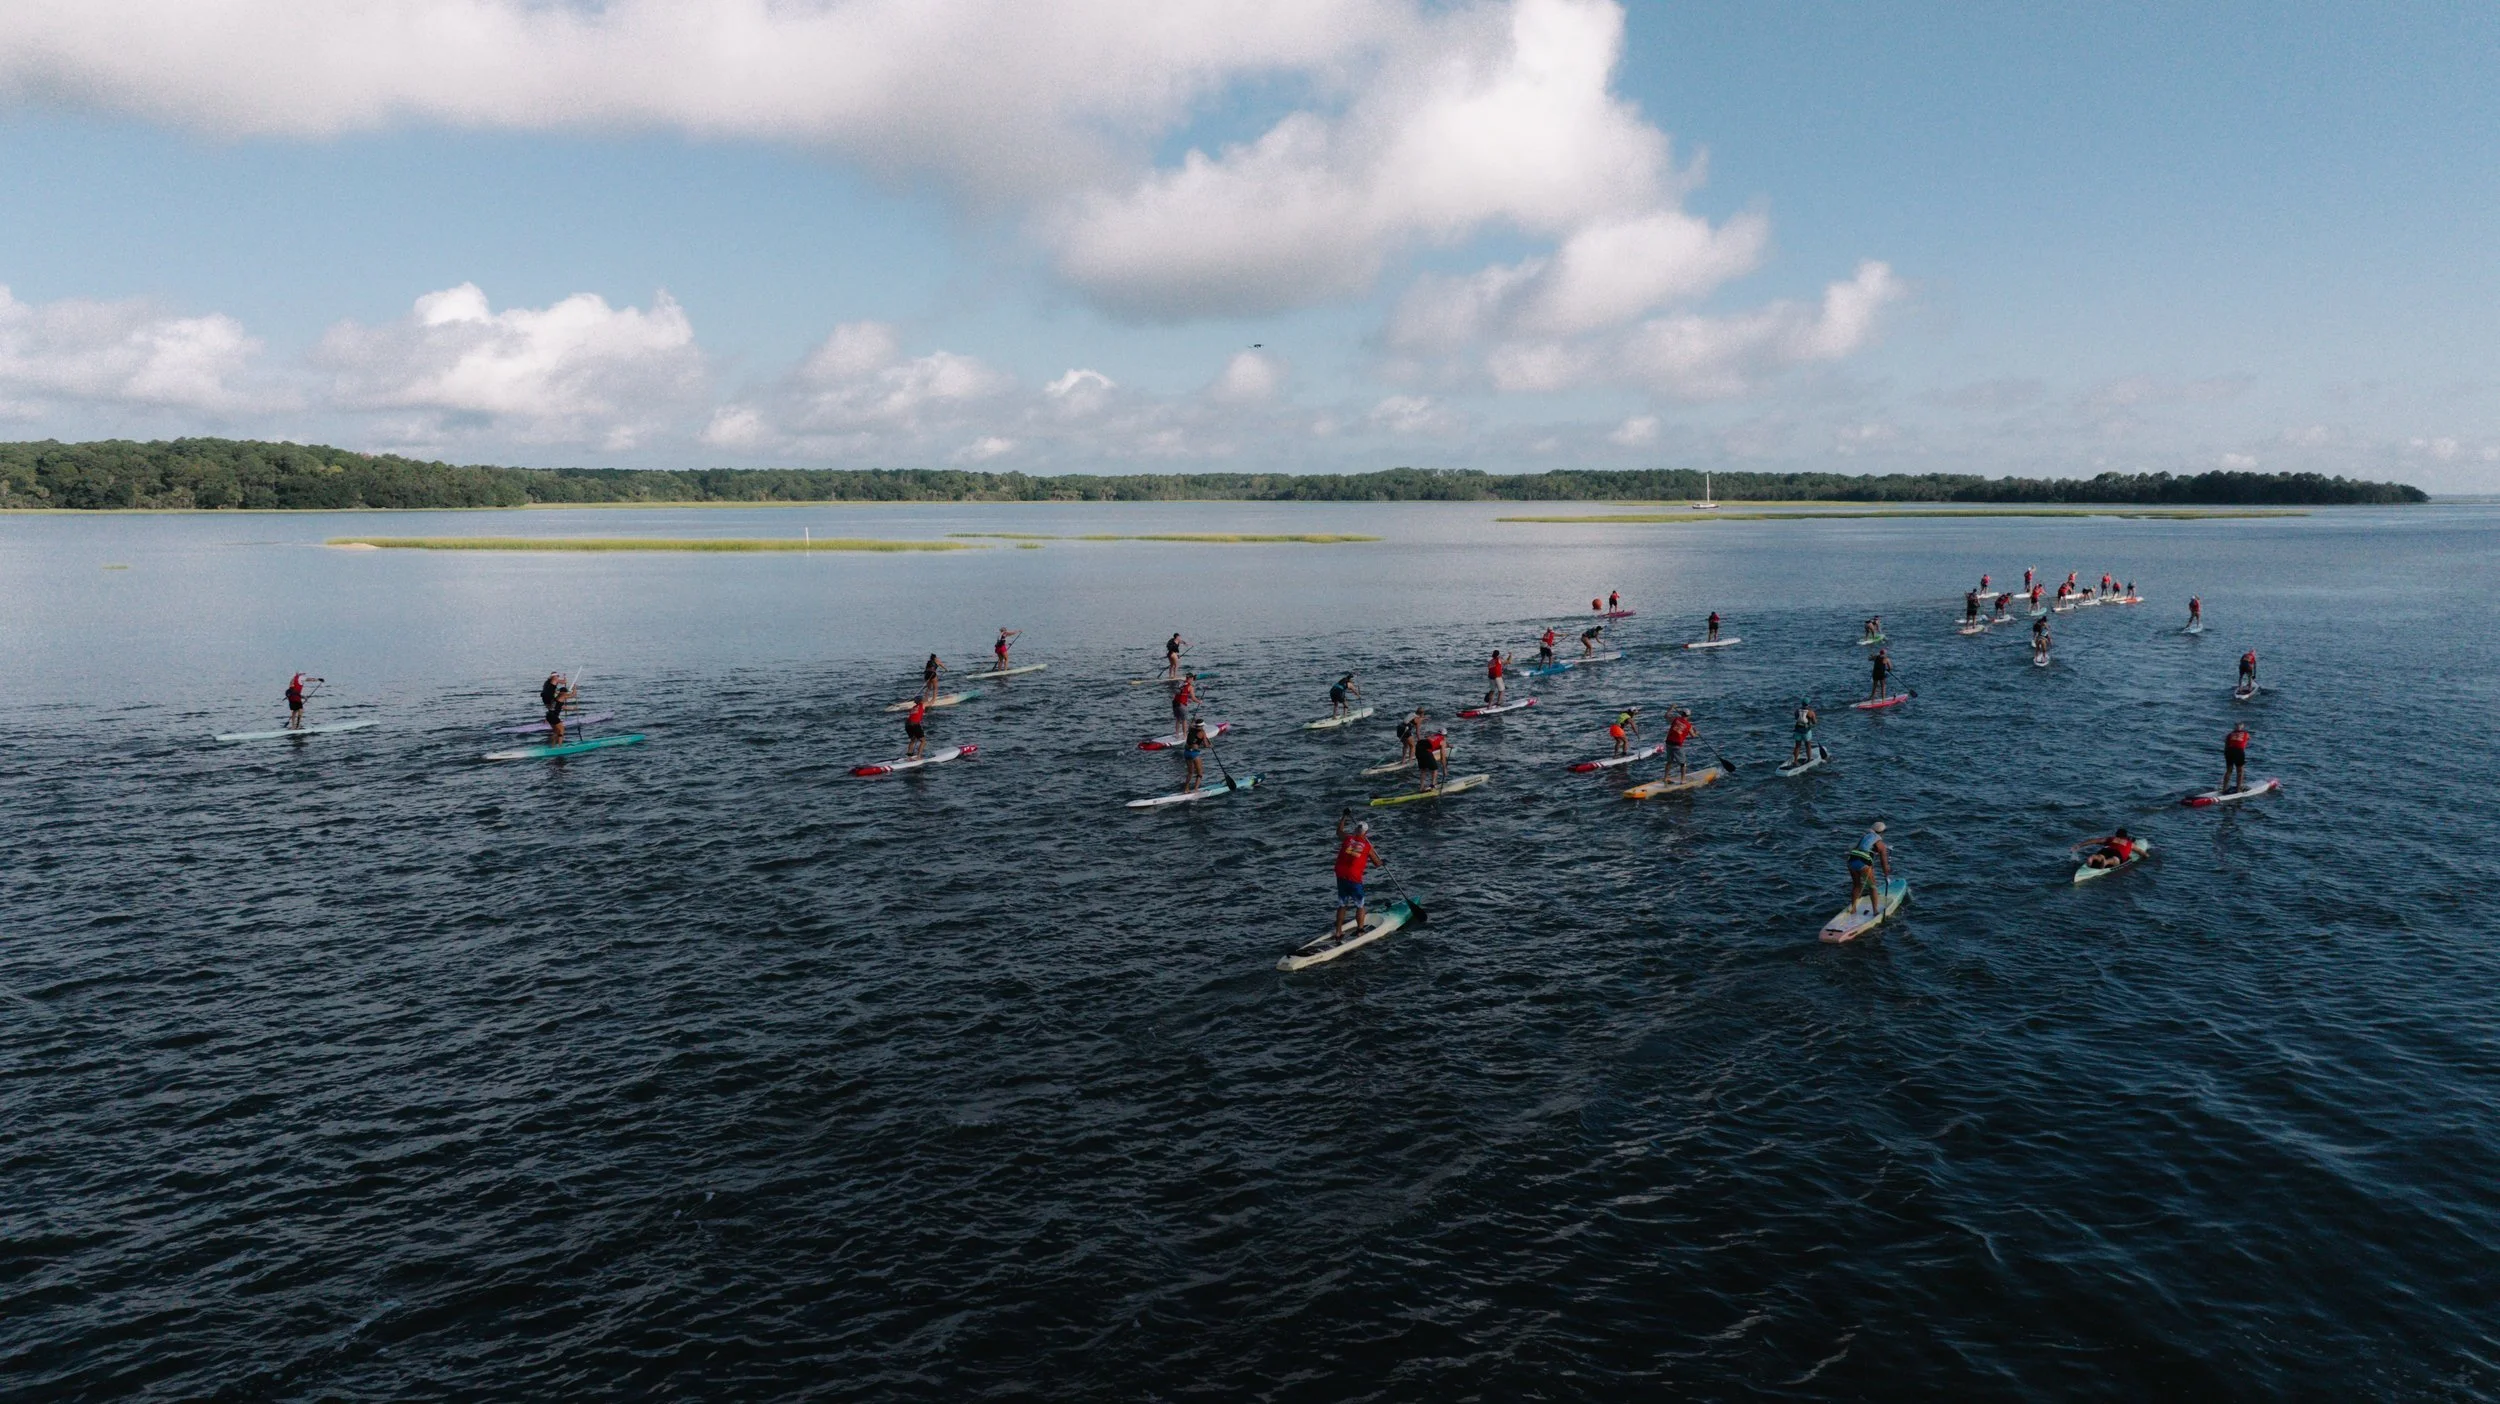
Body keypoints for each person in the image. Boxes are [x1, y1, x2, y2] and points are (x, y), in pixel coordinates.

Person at [1332, 812, 1380, 943]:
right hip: (1354, 878)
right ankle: (1360, 930)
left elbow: (1339, 831)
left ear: (1355, 830)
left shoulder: (1347, 838)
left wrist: (1343, 817)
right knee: (1360, 905)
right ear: (1365, 833)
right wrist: (1381, 861)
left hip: (1341, 875)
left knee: (1342, 904)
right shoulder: (1367, 846)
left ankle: (1338, 932)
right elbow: (1377, 864)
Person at [1847, 820, 1894, 916]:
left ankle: (1853, 909)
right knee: (1872, 886)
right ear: (1882, 832)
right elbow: (1884, 863)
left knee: (1857, 885)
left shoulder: (1864, 837)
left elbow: (1855, 849)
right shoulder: (1881, 844)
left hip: (1851, 861)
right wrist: (1886, 874)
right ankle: (1875, 912)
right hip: (1863, 863)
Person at [540, 671, 575, 745]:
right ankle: (560, 746)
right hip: (549, 699)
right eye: (558, 676)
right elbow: (565, 682)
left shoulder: (548, 682)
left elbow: (553, 691)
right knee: (561, 730)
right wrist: (574, 686)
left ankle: (552, 745)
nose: (558, 677)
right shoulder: (554, 679)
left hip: (545, 699)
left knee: (554, 707)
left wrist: (571, 708)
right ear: (554, 676)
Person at [1663, 708, 1697, 781]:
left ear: (1682, 713)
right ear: (1689, 716)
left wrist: (1671, 708)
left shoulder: (1675, 719)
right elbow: (1693, 736)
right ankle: (1683, 780)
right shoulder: (1688, 725)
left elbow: (1666, 716)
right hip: (1677, 745)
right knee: (1683, 763)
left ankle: (1665, 778)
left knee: (1669, 761)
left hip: (1668, 743)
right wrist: (1696, 732)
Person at [1182, 715, 1210, 793]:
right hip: (1194, 753)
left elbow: (1192, 724)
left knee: (1190, 772)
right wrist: (1210, 746)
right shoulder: (1202, 732)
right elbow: (1205, 745)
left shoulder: (1190, 729)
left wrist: (1195, 720)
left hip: (1186, 752)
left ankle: (1186, 789)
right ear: (1202, 726)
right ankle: (1196, 790)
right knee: (1200, 772)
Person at [2223, 722, 2252, 793]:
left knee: (2229, 771)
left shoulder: (2229, 735)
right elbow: (2248, 739)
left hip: (2229, 751)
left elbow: (2226, 745)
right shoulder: (2246, 734)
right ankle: (2238, 789)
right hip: (2239, 752)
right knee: (2240, 771)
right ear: (2242, 727)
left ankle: (2224, 789)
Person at [1791, 698, 1819, 765]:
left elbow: (1796, 718)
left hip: (1797, 730)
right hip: (1806, 731)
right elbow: (1814, 722)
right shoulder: (1811, 712)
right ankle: (1809, 759)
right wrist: (1815, 721)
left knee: (1797, 746)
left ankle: (1795, 760)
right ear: (1808, 704)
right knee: (1808, 745)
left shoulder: (1797, 711)